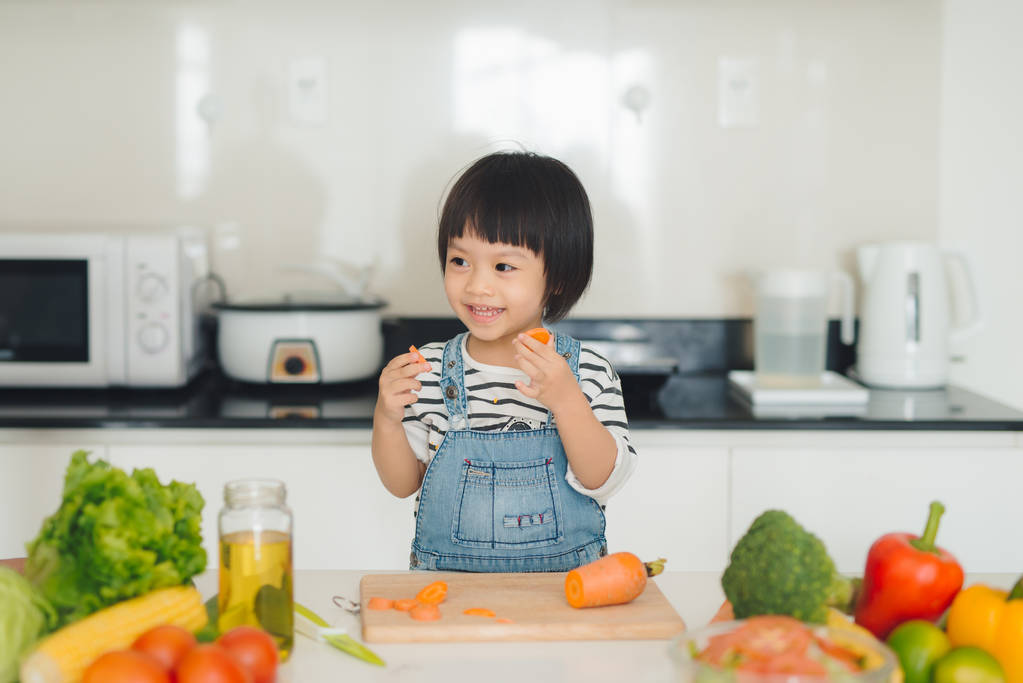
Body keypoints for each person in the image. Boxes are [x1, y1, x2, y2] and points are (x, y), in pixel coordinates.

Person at [371, 150, 637, 572]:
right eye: (460, 261)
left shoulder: (588, 372)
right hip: (450, 600)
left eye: (503, 266)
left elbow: (602, 479)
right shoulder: (430, 370)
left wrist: (567, 401)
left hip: (565, 599)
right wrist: (386, 418)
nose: (477, 285)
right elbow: (403, 484)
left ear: (559, 277)